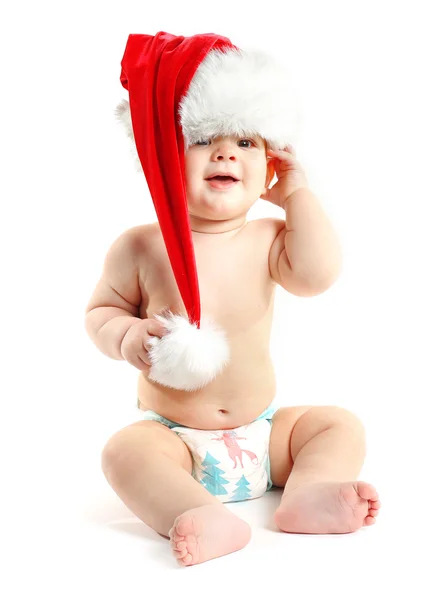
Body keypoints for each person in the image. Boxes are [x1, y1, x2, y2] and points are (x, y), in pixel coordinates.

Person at [84, 32, 380, 567]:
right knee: (123, 453)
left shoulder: (268, 238)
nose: (225, 152)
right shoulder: (139, 246)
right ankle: (194, 512)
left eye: (245, 142)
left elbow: (316, 275)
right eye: (202, 139)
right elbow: (101, 312)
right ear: (160, 155)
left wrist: (296, 195)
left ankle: (309, 493)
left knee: (339, 425)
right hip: (175, 442)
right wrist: (124, 335)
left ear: (268, 161)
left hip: (265, 436)